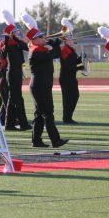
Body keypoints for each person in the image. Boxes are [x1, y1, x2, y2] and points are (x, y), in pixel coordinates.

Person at [22, 16, 69, 148]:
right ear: (34, 40)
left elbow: (53, 52)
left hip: (41, 85)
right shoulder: (36, 51)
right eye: (41, 37)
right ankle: (55, 140)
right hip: (39, 86)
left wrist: (56, 42)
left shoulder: (40, 49)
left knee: (39, 114)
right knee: (48, 113)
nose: (44, 38)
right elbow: (53, 54)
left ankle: (36, 141)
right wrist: (57, 44)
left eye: (43, 36)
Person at [1, 12, 32, 131]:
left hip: (17, 71)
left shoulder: (17, 43)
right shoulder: (8, 44)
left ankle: (9, 124)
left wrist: (20, 39)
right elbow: (5, 50)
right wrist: (8, 36)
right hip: (13, 72)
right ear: (11, 34)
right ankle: (23, 123)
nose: (18, 33)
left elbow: (27, 47)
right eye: (16, 32)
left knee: (12, 99)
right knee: (17, 98)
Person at [59, 37, 84, 124]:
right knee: (68, 98)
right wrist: (79, 67)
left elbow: (73, 62)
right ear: (66, 41)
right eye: (71, 39)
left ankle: (68, 117)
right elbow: (68, 65)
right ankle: (66, 118)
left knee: (74, 97)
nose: (73, 41)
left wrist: (81, 59)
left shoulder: (70, 49)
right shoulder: (65, 49)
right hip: (66, 77)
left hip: (71, 77)